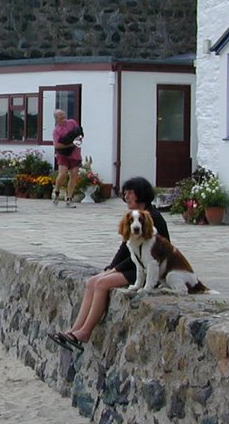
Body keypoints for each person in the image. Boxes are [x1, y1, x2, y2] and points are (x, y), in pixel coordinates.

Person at [49, 177, 170, 351]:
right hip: (133, 265)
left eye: (130, 193)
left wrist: (116, 270)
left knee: (102, 283)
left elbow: (146, 254)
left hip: (146, 269)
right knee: (92, 281)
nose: (126, 197)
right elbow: (126, 246)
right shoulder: (133, 216)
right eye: (125, 193)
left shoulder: (153, 218)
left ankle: (85, 332)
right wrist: (111, 267)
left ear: (140, 195)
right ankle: (74, 330)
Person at [52, 109, 83, 207]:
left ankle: (69, 199)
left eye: (63, 114)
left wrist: (78, 140)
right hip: (63, 155)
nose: (62, 116)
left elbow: (79, 133)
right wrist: (70, 145)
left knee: (74, 175)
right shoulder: (56, 131)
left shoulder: (72, 123)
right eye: (60, 115)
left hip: (75, 153)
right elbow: (57, 146)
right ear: (56, 118)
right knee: (62, 174)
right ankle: (56, 191)